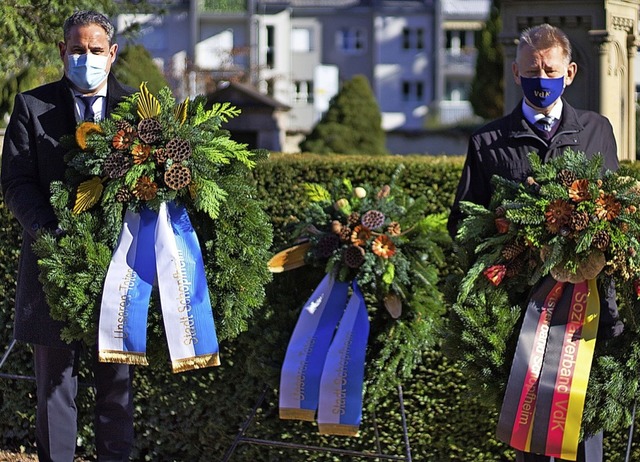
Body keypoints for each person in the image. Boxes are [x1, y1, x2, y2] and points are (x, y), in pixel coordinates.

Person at [447, 24, 623, 462]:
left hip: (589, 310)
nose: (540, 78)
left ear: (570, 72)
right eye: (531, 70)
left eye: (549, 69)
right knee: (532, 437)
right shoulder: (487, 141)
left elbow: (618, 213)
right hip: (522, 315)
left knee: (584, 438)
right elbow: (461, 225)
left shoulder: (597, 130)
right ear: (515, 72)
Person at [1, 11, 136, 461]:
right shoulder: (31, 107)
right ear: (62, 51)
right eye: (78, 49)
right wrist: (51, 234)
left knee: (116, 391)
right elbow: (16, 182)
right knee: (55, 389)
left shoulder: (140, 113)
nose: (87, 58)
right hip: (50, 271)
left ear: (112, 54)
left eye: (96, 50)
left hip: (120, 273)